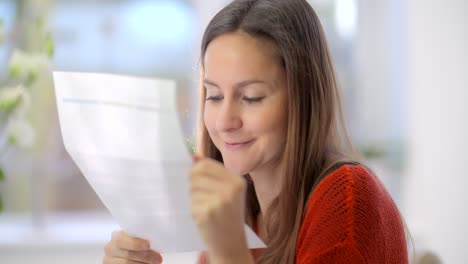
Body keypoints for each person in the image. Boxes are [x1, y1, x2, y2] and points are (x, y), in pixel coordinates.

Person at [103, 0, 409, 263]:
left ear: (303, 97)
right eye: (214, 96)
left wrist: (230, 253)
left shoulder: (348, 200)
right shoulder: (241, 213)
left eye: (251, 97)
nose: (224, 122)